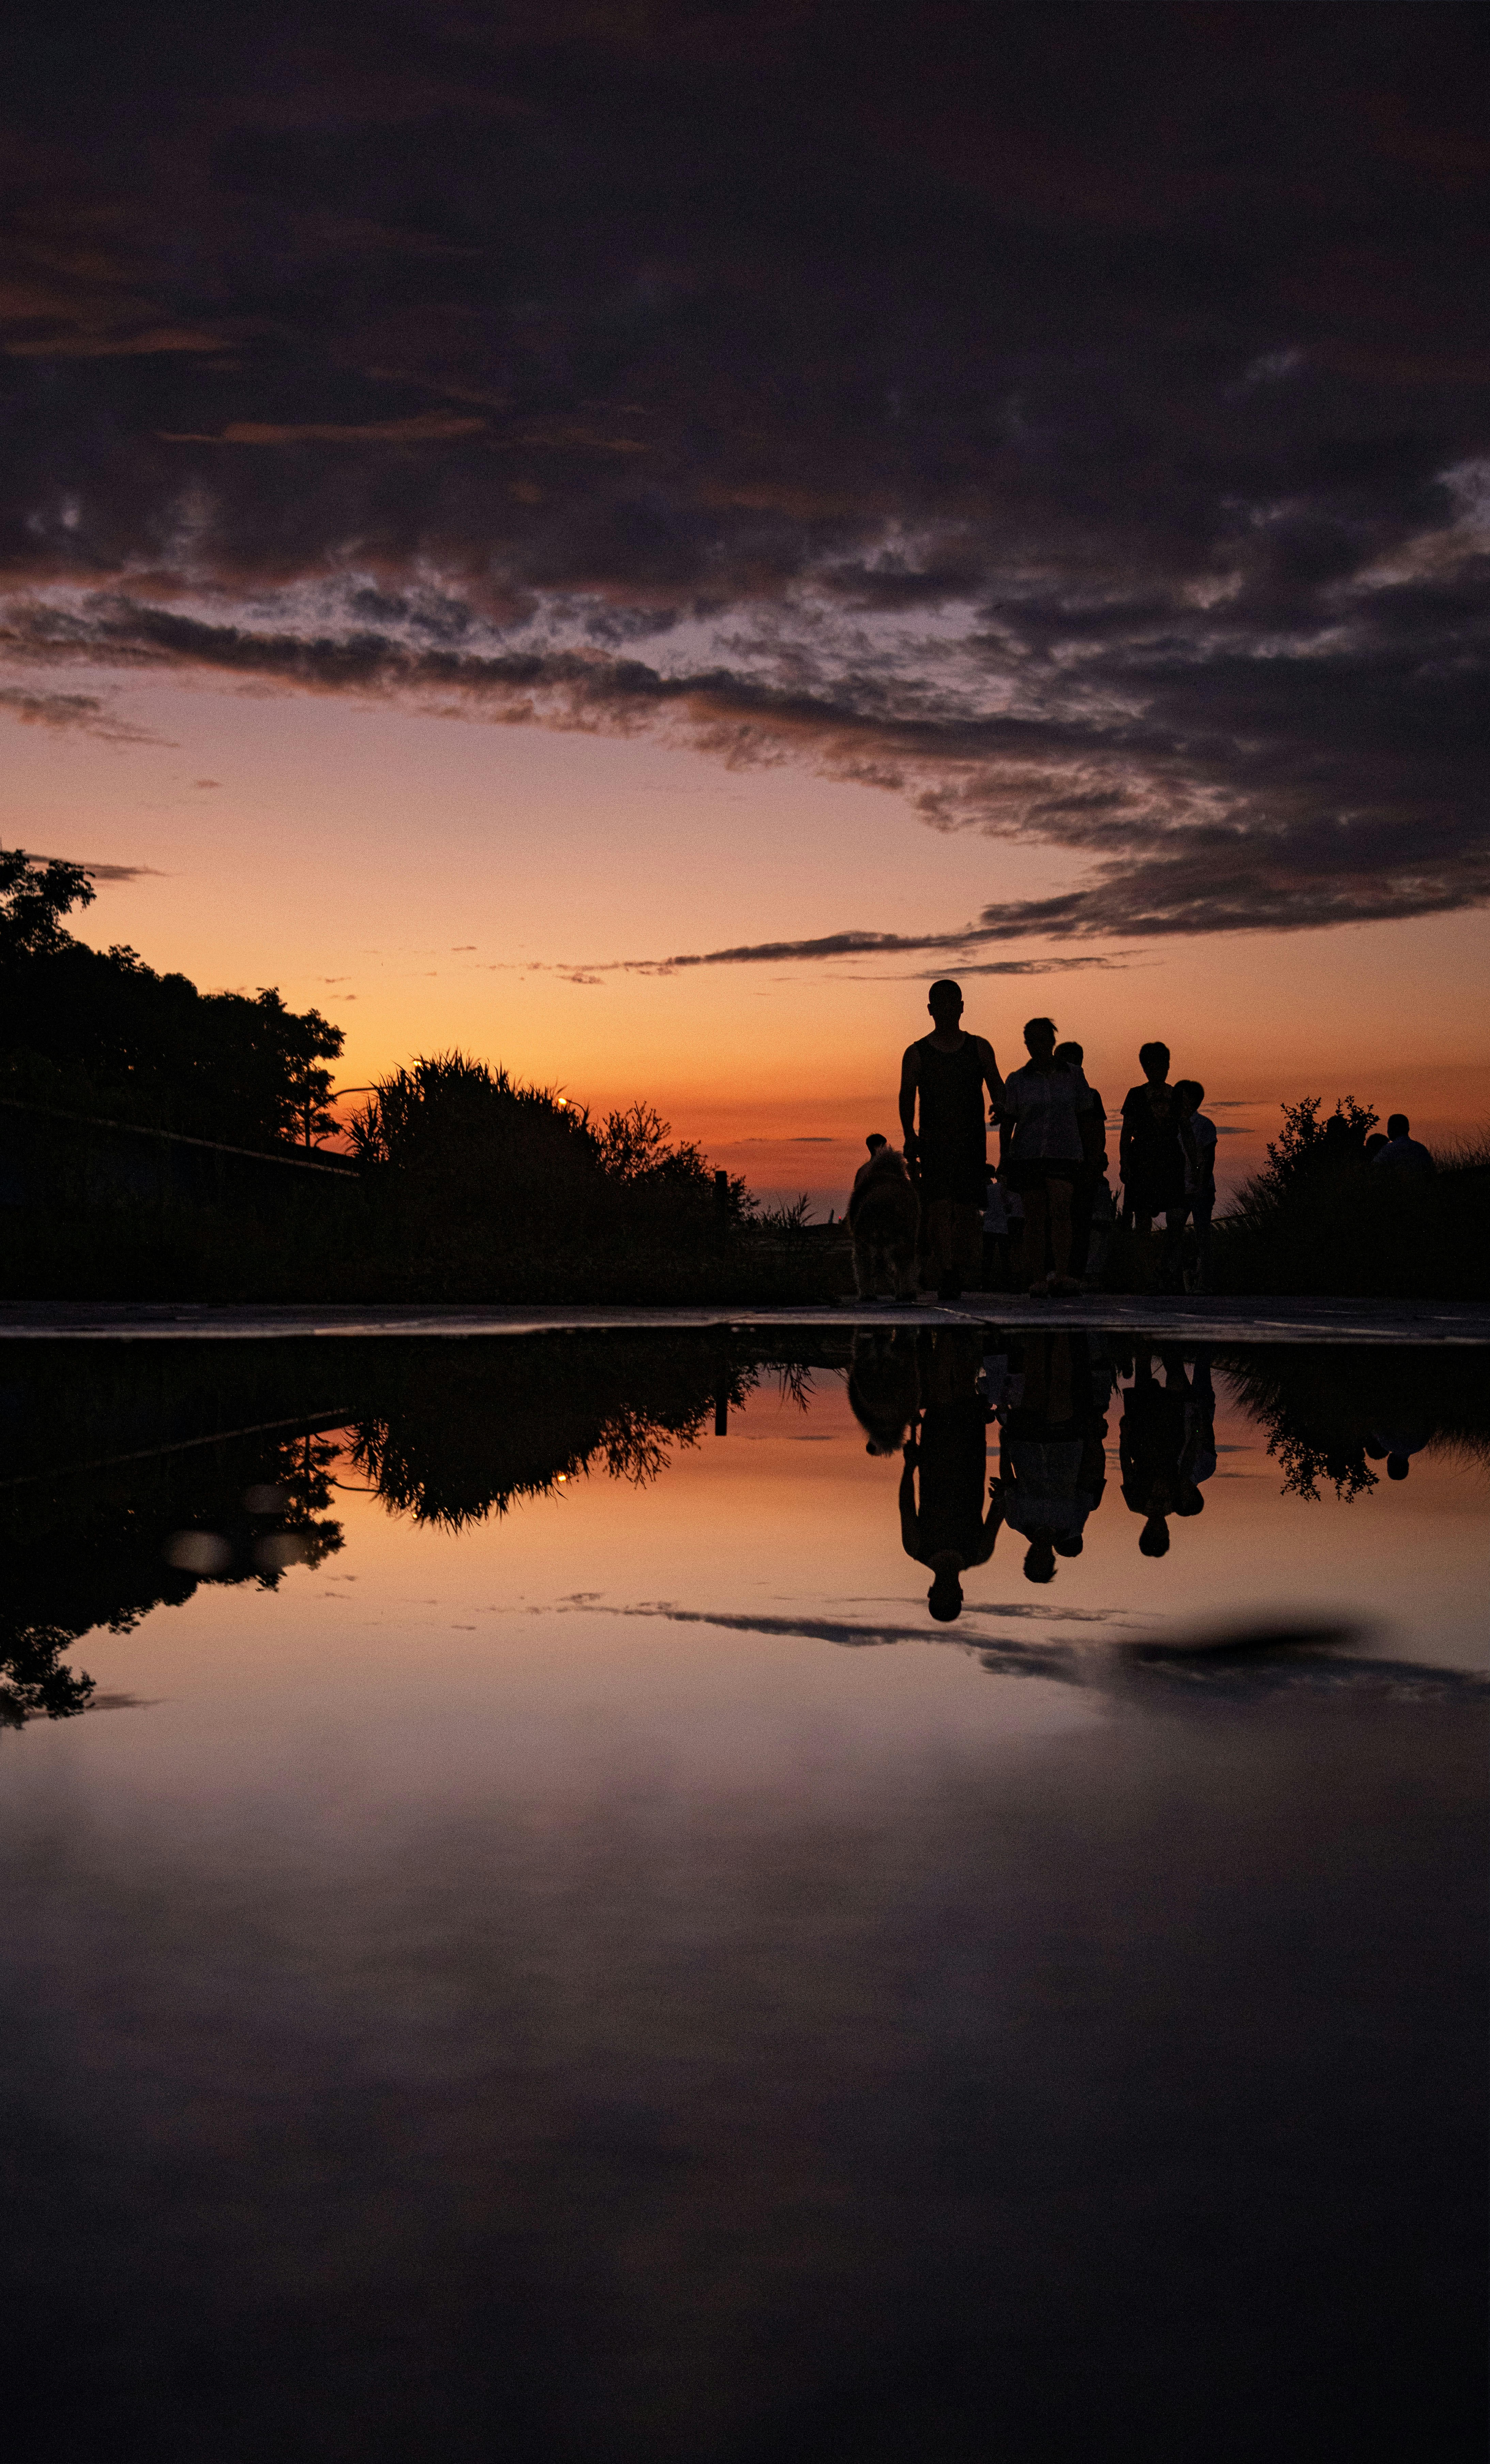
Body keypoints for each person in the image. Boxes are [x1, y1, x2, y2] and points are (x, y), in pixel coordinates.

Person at [899, 981, 1004, 1304]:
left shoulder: (979, 1048)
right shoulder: (917, 1053)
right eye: (939, 1005)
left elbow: (996, 1085)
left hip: (971, 1141)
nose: (946, 1010)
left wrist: (1001, 1106)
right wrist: (909, 1136)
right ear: (930, 1010)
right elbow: (906, 1096)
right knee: (939, 1207)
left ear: (961, 1007)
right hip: (934, 1143)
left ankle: (956, 1268)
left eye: (951, 1004)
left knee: (967, 1209)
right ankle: (946, 1271)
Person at [900, 1329, 1003, 1619]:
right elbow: (998, 1512)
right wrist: (1002, 1496)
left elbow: (906, 1507)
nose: (946, 1591)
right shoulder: (978, 1553)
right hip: (970, 1457)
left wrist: (910, 1467)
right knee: (964, 1389)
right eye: (951, 1597)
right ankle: (959, 1328)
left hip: (934, 1458)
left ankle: (946, 1327)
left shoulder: (916, 1548)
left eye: (940, 1596)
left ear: (931, 1593)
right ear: (960, 1595)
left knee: (943, 1393)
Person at [997, 1018, 1101, 1296]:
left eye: (1042, 1040)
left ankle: (1063, 1274)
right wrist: (1004, 1157)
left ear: (1052, 1042)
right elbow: (1009, 1120)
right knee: (1034, 1216)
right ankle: (1039, 1277)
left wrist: (1092, 1155)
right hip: (1028, 1154)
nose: (1037, 1046)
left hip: (1064, 1152)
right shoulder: (1017, 1079)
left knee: (1061, 1210)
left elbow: (1086, 1116)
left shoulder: (1074, 1076)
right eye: (1031, 1041)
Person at [1119, 1042, 1187, 1288]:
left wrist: (1196, 1164)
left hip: (1170, 1159)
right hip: (1143, 1159)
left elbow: (1186, 1131)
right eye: (1153, 1067)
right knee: (1143, 1222)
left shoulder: (1177, 1094)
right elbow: (1126, 1132)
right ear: (1145, 1069)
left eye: (1164, 1066)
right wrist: (1124, 1162)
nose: (1159, 1071)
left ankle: (1169, 1270)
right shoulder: (1136, 1095)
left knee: (1177, 1218)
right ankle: (1147, 1276)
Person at [1055, 1038, 1110, 1286]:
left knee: (1076, 1220)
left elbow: (1097, 1132)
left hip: (1080, 1164)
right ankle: (1065, 1272)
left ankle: (1073, 1273)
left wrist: (1094, 1161)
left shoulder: (1088, 1095)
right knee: (1065, 1219)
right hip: (1061, 1163)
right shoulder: (1052, 1093)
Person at [1174, 1080, 1218, 1293]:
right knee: (1175, 1235)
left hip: (1200, 1189)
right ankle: (1179, 1279)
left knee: (1203, 1235)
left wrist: (1201, 1184)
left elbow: (1209, 1159)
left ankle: (1206, 1282)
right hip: (1179, 1189)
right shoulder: (1173, 1125)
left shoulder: (1204, 1125)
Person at [1372, 1114, 1435, 1179]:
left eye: (1389, 1128)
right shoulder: (1421, 1149)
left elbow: (1375, 1169)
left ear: (1392, 1129)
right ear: (1408, 1129)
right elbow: (1431, 1171)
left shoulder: (1388, 1150)